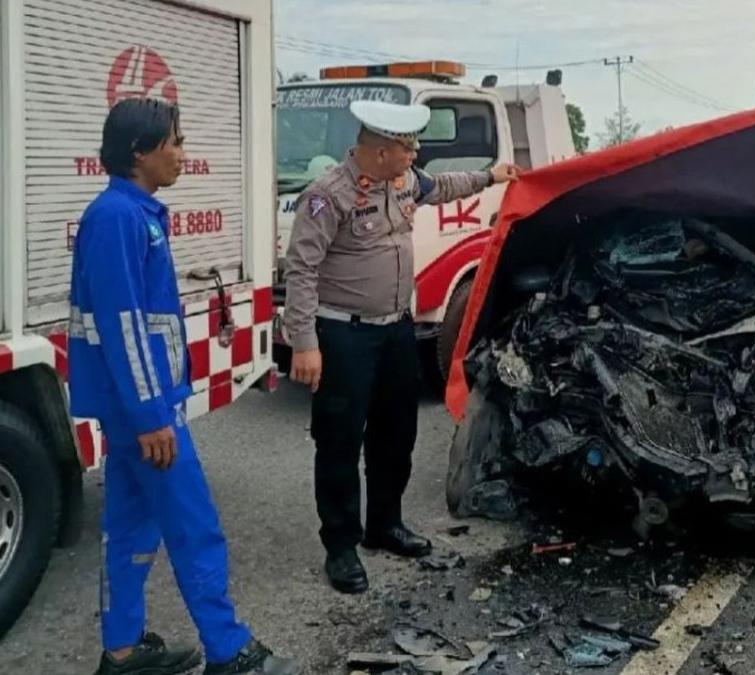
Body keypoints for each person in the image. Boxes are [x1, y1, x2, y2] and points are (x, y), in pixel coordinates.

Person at [68, 98, 297, 675]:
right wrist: (151, 417)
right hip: (142, 411)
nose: (182, 154)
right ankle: (228, 650)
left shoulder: (132, 212)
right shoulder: (119, 218)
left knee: (129, 526)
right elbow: (124, 328)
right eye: (175, 141)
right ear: (140, 151)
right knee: (194, 526)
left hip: (135, 407)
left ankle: (121, 650)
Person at [284, 101, 521, 594]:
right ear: (380, 150)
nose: (415, 155)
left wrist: (493, 176)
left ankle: (384, 525)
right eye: (408, 147)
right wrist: (304, 343)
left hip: (396, 331)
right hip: (343, 334)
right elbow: (301, 270)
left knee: (397, 434)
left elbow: (446, 186)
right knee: (340, 442)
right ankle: (342, 546)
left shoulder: (405, 180)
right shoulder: (329, 196)